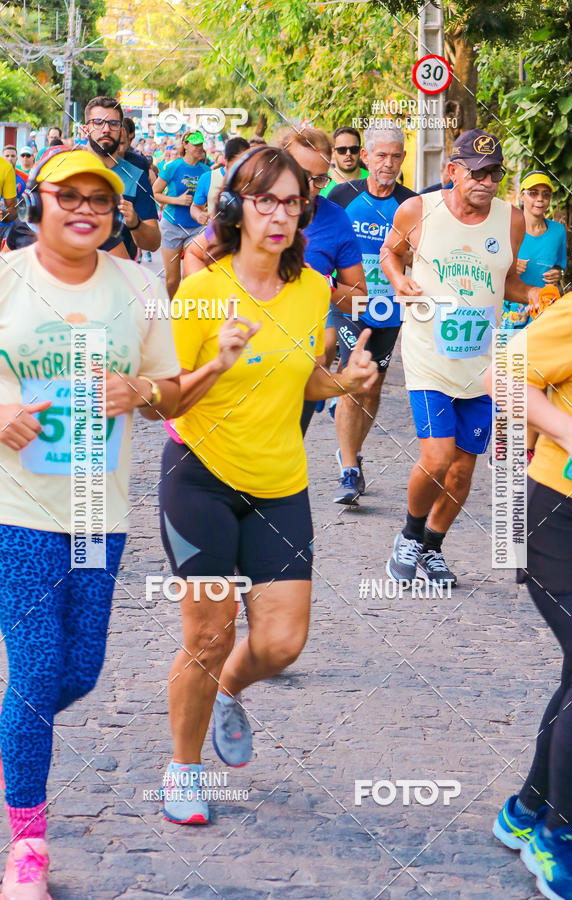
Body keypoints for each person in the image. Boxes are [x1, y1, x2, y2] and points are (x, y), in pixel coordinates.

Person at [157, 146, 378, 826]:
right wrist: (219, 363)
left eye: (292, 203)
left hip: (279, 482)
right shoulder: (201, 290)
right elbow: (167, 401)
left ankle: (228, 689)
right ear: (237, 207)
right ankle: (183, 769)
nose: (280, 215)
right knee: (210, 632)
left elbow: (303, 380)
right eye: (265, 201)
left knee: (281, 644)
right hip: (201, 478)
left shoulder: (312, 290)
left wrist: (344, 382)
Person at [0, 147, 180, 898]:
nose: (84, 209)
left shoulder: (140, 287)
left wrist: (139, 390)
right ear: (37, 202)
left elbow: (172, 392)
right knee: (39, 667)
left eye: (98, 200)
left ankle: (15, 737)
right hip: (14, 508)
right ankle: (27, 847)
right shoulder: (6, 279)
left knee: (79, 670)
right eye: (67, 196)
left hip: (96, 512)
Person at [381, 128, 540, 585]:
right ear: (452, 170)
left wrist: (534, 295)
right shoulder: (418, 210)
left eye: (495, 174)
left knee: (462, 469)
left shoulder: (511, 219)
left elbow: (505, 281)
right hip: (428, 355)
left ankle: (432, 548)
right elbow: (390, 252)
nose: (487, 182)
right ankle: (409, 536)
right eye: (477, 173)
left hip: (482, 364)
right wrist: (398, 279)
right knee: (437, 457)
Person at [487, 283, 572, 900]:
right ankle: (557, 835)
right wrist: (571, 431)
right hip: (560, 517)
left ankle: (528, 807)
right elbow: (499, 375)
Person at [327, 122, 415, 504]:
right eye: (381, 155)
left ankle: (353, 452)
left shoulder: (411, 205)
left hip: (388, 308)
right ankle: (348, 471)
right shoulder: (342, 195)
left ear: (403, 158)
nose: (388, 163)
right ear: (366, 157)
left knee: (373, 384)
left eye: (395, 156)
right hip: (349, 302)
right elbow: (324, 241)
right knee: (353, 374)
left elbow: (420, 255)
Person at [274, 127, 367, 434]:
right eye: (302, 175)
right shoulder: (252, 202)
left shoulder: (335, 218)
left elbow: (358, 300)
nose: (310, 188)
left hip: (300, 361)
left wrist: (323, 282)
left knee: (285, 446)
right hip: (242, 353)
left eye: (320, 179)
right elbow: (198, 254)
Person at [84, 96, 161, 260]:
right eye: (98, 122)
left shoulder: (136, 176)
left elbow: (153, 243)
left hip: (120, 272)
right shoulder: (66, 169)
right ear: (85, 130)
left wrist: (135, 223)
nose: (106, 129)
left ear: (122, 131)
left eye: (113, 123)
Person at [501, 171, 567, 330]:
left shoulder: (558, 231)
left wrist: (558, 272)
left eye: (546, 194)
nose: (540, 199)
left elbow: (559, 265)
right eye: (533, 193)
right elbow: (489, 268)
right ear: (522, 196)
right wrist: (510, 265)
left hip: (544, 310)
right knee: (509, 347)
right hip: (510, 313)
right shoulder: (506, 228)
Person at [152, 131, 209, 297]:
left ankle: (186, 309)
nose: (199, 147)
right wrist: (177, 200)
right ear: (185, 145)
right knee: (172, 279)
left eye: (201, 144)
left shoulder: (206, 171)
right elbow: (155, 192)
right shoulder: (172, 167)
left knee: (191, 277)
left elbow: (210, 198)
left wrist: (206, 209)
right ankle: (172, 308)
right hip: (172, 226)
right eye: (195, 144)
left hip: (196, 228)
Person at [190, 136, 250, 224]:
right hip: (215, 231)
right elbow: (195, 207)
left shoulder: (253, 180)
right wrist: (199, 215)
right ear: (225, 159)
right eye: (234, 164)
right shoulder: (208, 177)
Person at [320, 126, 368, 198]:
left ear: (360, 151)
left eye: (353, 149)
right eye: (342, 150)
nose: (348, 153)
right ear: (333, 152)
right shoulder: (320, 184)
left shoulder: (373, 180)